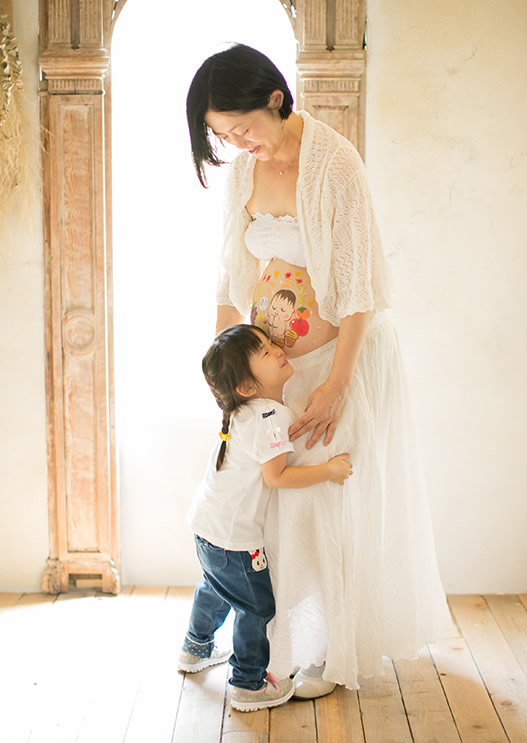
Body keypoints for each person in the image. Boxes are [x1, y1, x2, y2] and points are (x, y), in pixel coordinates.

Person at [186, 43, 451, 697]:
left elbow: (360, 287)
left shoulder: (334, 162)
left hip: (339, 360)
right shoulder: (242, 174)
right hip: (271, 373)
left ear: (275, 99)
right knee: (278, 508)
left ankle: (329, 652)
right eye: (222, 134)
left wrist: (337, 383)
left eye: (240, 127)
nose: (235, 143)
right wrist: (228, 381)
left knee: (329, 503)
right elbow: (229, 275)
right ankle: (286, 642)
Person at [178, 324, 352, 712]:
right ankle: (248, 684)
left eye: (270, 343)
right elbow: (277, 477)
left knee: (215, 587)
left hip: (207, 527)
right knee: (256, 608)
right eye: (265, 352)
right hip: (235, 540)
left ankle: (195, 647)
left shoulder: (244, 412)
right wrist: (329, 471)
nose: (277, 349)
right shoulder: (270, 415)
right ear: (246, 385)